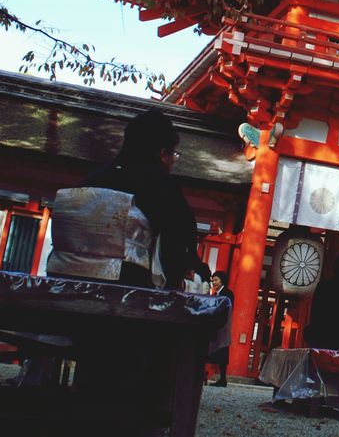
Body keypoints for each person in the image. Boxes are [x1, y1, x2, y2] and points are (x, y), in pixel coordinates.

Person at [82, 107, 208, 289]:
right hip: (126, 288)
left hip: (68, 279)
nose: (174, 160)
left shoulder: (93, 179)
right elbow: (178, 248)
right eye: (174, 154)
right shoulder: (163, 187)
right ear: (163, 154)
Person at [206, 271, 234, 386]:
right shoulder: (215, 294)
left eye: (216, 280)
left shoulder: (227, 293)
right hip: (215, 325)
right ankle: (217, 377)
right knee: (213, 349)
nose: (214, 282)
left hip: (223, 324)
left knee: (222, 350)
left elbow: (227, 308)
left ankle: (223, 378)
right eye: (212, 280)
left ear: (222, 280)